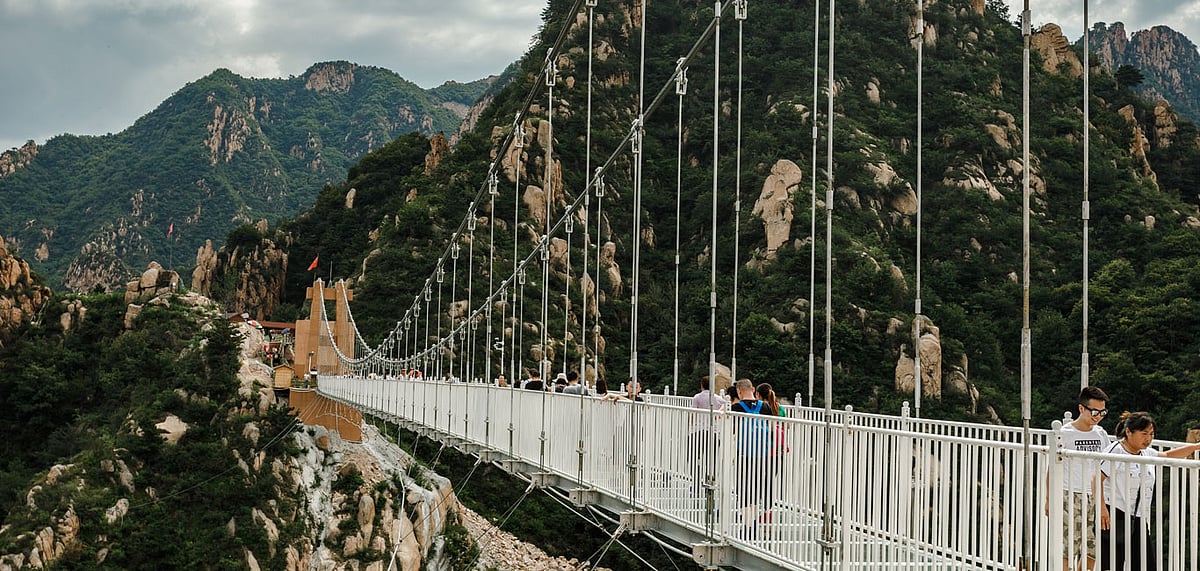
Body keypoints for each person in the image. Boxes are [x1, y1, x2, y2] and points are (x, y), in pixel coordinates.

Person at [1099, 412, 1200, 571]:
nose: (1148, 438)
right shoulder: (1116, 451)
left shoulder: (1145, 452)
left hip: (1137, 516)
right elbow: (1096, 479)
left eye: (1151, 434)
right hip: (1115, 514)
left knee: (1145, 564)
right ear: (1128, 432)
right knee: (1112, 564)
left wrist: (1195, 447)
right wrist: (1102, 509)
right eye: (1144, 433)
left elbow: (1167, 455)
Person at [1051, 386, 1112, 571]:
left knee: (1094, 546)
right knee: (1068, 545)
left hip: (1095, 495)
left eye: (1102, 412)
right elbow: (1052, 468)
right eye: (1094, 412)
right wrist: (1048, 498)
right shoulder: (1065, 433)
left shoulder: (1101, 434)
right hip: (1071, 494)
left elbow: (1108, 463)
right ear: (1081, 408)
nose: (1098, 416)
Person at [731, 378, 771, 536]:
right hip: (763, 454)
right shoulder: (765, 407)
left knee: (743, 488)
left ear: (739, 391)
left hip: (744, 453)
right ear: (753, 389)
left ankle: (748, 525)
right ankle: (754, 521)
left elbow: (732, 429)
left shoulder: (736, 408)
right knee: (756, 488)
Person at [690, 376, 725, 494]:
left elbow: (693, 414)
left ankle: (695, 482)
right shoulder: (719, 399)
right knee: (712, 458)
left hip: (698, 431)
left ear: (702, 385)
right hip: (714, 432)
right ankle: (710, 482)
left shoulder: (697, 397)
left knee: (694, 458)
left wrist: (691, 424)